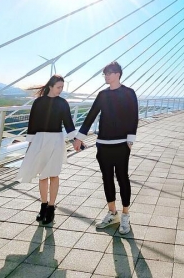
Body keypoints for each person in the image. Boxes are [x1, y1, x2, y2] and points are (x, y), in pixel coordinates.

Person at [74, 61, 138, 235]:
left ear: (117, 74)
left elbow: (133, 116)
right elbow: (91, 115)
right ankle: (112, 213)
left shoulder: (129, 93)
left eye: (109, 73)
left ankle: (125, 215)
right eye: (105, 74)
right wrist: (79, 138)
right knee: (107, 178)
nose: (106, 76)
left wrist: (130, 140)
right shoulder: (102, 95)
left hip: (121, 143)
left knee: (122, 178)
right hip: (103, 143)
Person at [16, 74, 76, 224]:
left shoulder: (63, 103)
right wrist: (30, 144)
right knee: (42, 175)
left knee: (54, 174)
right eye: (58, 87)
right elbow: (32, 123)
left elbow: (68, 123)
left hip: (56, 140)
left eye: (62, 87)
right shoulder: (39, 102)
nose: (61, 90)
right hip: (40, 140)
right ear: (50, 86)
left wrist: (75, 140)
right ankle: (43, 206)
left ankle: (51, 208)